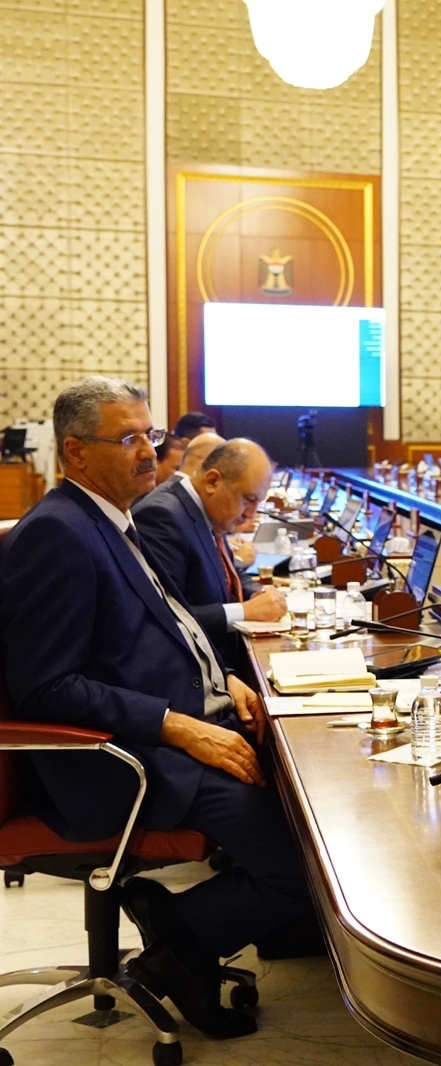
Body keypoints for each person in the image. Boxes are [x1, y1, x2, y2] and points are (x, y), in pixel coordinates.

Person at [0, 378, 311, 1039]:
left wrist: (227, 678)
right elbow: (46, 687)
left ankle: (182, 933)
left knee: (309, 798)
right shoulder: (57, 533)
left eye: (151, 435)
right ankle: (178, 941)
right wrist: (180, 728)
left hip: (175, 730)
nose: (150, 452)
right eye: (128, 439)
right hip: (125, 763)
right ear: (76, 453)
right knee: (309, 864)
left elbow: (167, 627)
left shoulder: (114, 518)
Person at [133, 439, 288, 669]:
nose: (251, 514)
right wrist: (245, 611)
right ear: (213, 481)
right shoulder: (162, 517)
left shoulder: (205, 510)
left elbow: (229, 572)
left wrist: (259, 593)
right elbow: (163, 621)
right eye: (248, 500)